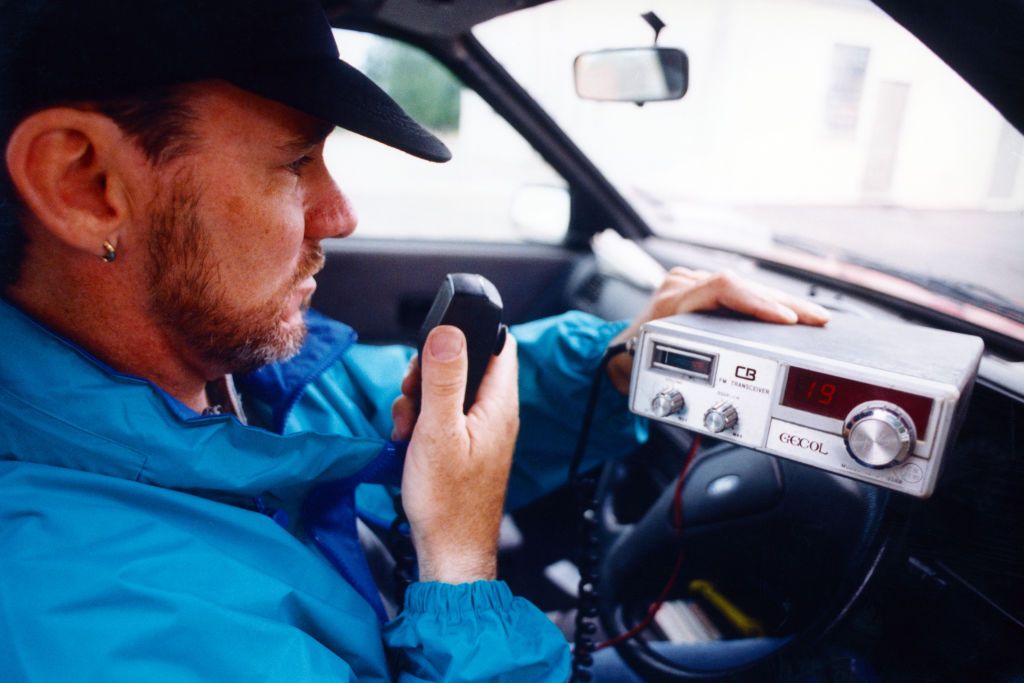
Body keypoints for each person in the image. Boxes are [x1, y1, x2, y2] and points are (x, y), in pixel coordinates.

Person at [0, 0, 830, 680]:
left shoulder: (232, 373)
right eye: (295, 164)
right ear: (86, 184)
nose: (342, 214)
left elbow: (394, 414)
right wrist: (462, 573)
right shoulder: (83, 614)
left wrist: (620, 363)